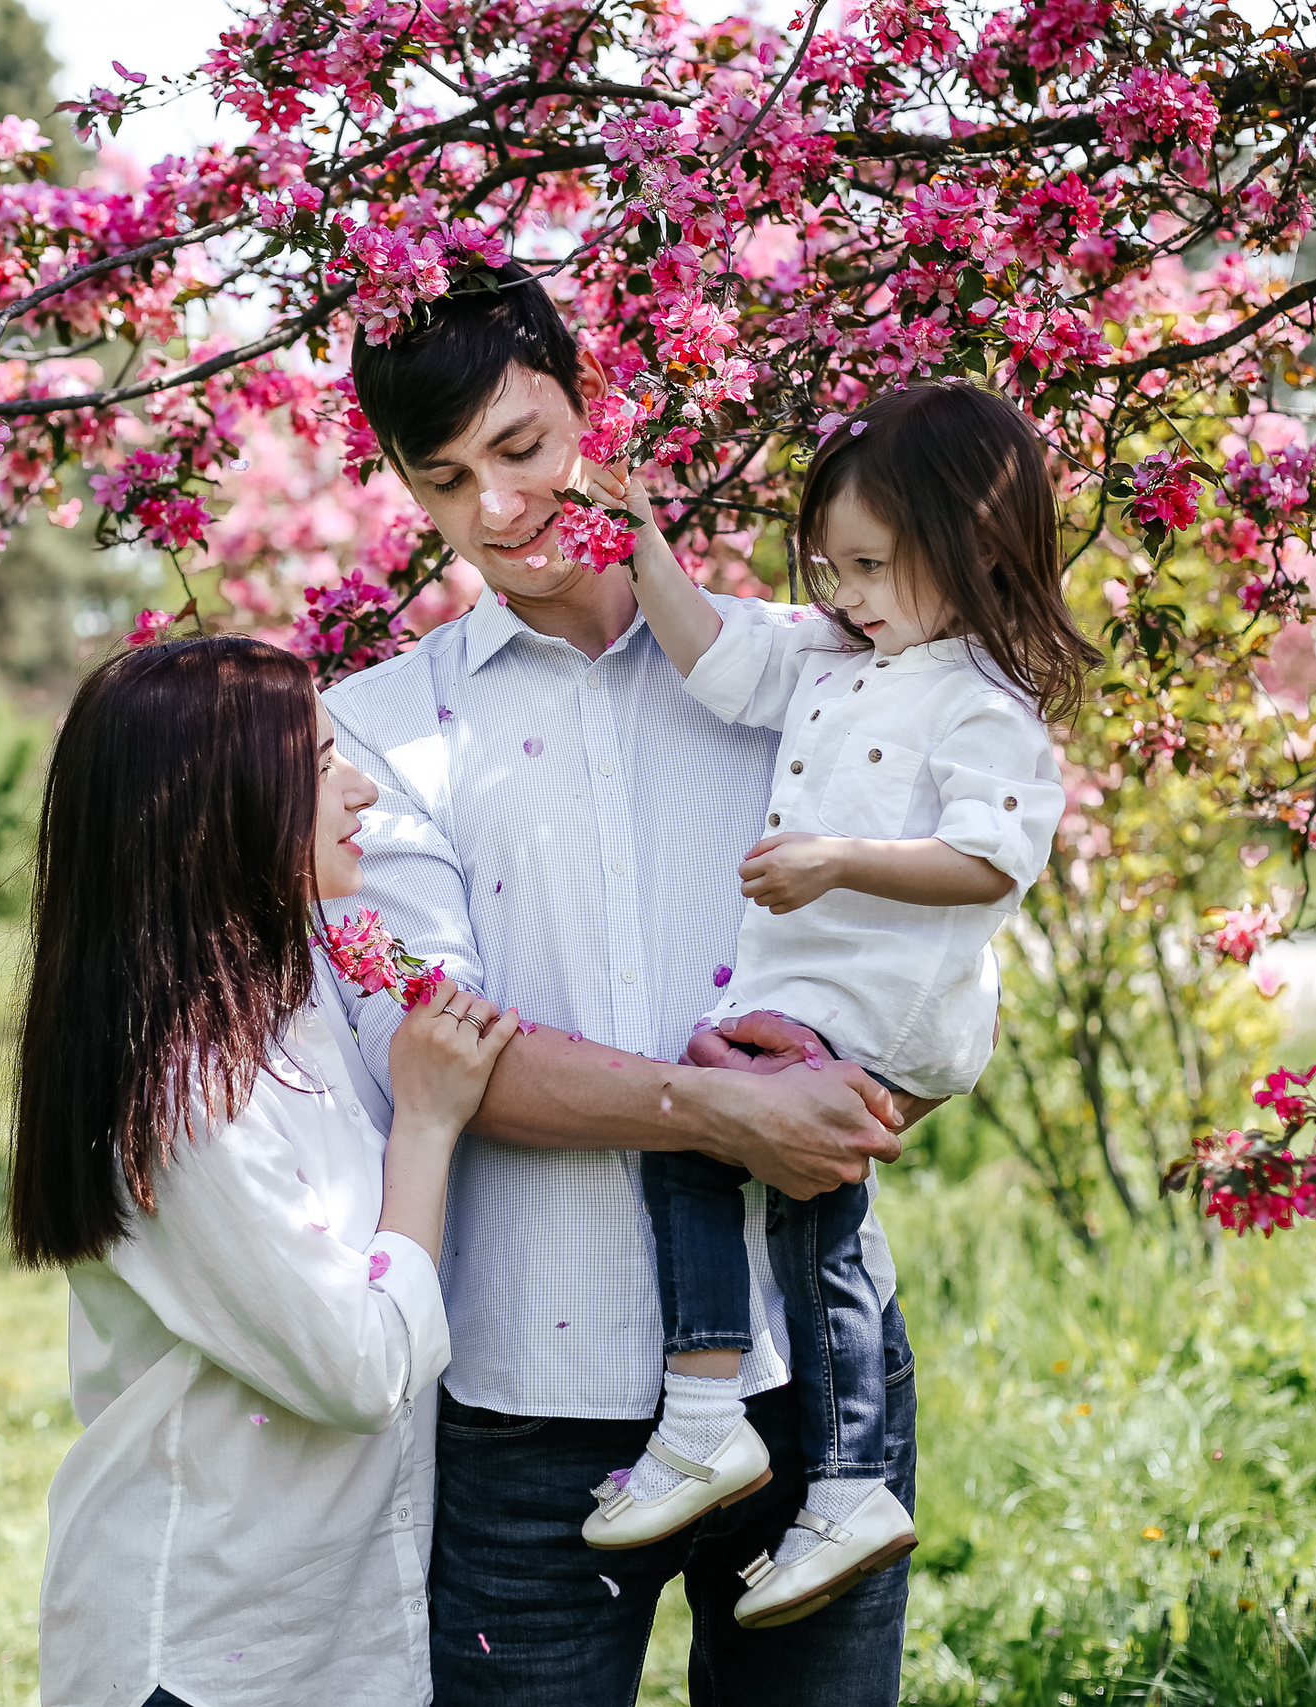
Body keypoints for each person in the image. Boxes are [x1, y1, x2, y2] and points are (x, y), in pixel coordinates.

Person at [326, 258, 939, 1706]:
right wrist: (725, 1116)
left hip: (817, 1383)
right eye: (447, 477)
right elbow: (439, 1046)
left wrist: (868, 1088)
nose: (497, 509)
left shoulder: (796, 673)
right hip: (530, 1401)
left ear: (594, 410)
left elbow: (932, 930)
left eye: (525, 447)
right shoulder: (379, 728)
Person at [579, 382, 1099, 1628]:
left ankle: (708, 1415)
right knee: (812, 1235)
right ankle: (847, 1485)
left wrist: (836, 857)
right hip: (814, 996)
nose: (847, 592)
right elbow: (709, 655)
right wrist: (640, 534)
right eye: (831, 567)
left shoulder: (983, 704)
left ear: (971, 549)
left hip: (880, 1002)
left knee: (700, 1133)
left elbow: (991, 862)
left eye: (872, 565)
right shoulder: (832, 652)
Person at [14, 635, 518, 1707]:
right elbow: (360, 1372)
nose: (362, 785)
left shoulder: (284, 1010)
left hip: (310, 1624)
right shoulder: (188, 1097)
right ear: (221, 805)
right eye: (322, 761)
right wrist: (425, 1129)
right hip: (206, 1644)